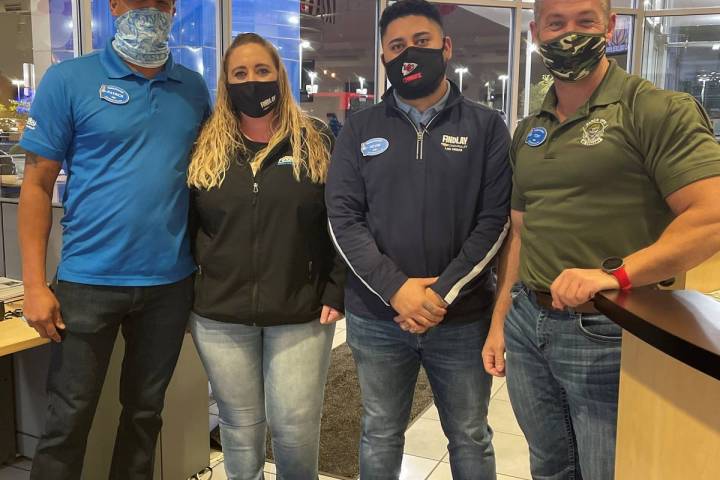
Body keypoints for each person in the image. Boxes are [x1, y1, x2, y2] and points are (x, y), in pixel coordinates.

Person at [483, 0, 720, 478]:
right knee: (549, 465)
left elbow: (711, 215)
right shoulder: (530, 130)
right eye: (556, 23)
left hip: (608, 331)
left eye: (585, 21)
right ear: (535, 34)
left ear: (610, 27)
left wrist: (613, 275)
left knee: (605, 470)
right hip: (529, 323)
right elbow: (522, 232)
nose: (570, 34)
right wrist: (500, 322)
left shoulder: (653, 109)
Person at [17, 0, 210, 478]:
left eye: (160, 1)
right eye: (136, 0)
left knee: (145, 416)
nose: (149, 9)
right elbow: (37, 185)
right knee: (68, 418)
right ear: (115, 6)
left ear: (173, 8)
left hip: (169, 283)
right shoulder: (69, 80)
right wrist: (35, 286)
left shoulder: (192, 88)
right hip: (87, 281)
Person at [326, 1, 511, 478]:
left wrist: (439, 293)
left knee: (470, 434)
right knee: (380, 432)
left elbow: (494, 222)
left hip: (462, 316)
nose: (410, 53)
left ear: (446, 47)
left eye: (422, 42)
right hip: (376, 317)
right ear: (385, 58)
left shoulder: (487, 127)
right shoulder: (359, 128)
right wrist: (398, 290)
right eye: (397, 46)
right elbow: (343, 220)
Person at [187, 33, 345, 480]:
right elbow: (187, 225)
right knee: (239, 428)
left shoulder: (314, 140)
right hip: (220, 315)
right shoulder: (205, 145)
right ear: (225, 82)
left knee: (294, 431)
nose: (252, 81)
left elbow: (341, 220)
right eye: (240, 73)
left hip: (300, 310)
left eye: (262, 71)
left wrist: (336, 286)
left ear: (280, 75)